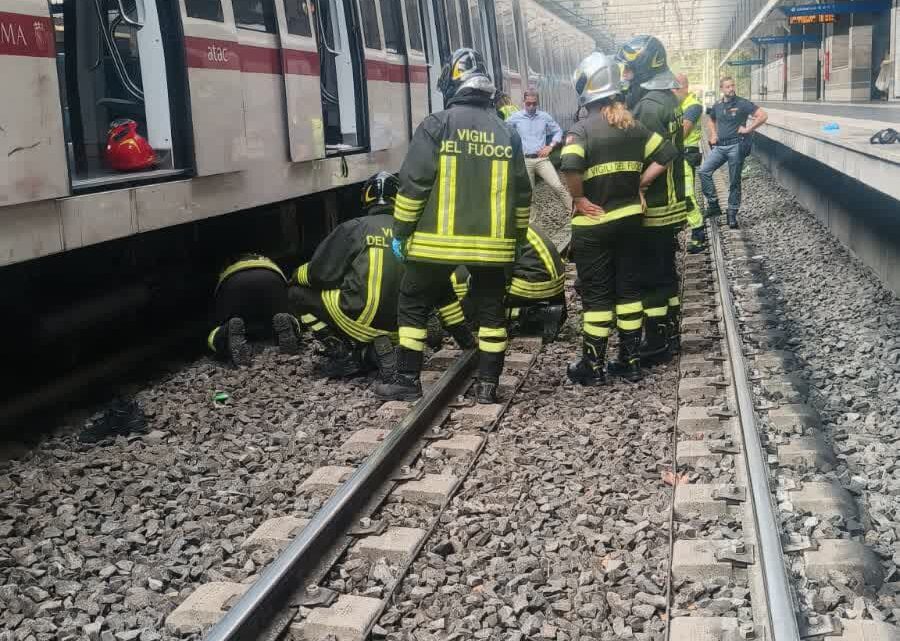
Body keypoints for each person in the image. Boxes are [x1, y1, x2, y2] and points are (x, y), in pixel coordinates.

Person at [374, 48, 532, 404]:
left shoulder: (436, 124)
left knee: (413, 302)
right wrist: (518, 238)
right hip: (492, 247)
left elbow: (414, 186)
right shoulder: (507, 132)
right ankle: (488, 385)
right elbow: (523, 193)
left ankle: (406, 379)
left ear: (452, 86)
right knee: (492, 309)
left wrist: (401, 232)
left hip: (434, 245)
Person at [561, 52, 676, 385]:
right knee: (628, 292)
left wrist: (579, 198)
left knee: (597, 296)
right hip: (630, 220)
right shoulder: (632, 124)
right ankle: (630, 361)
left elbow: (570, 166)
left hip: (594, 225)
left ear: (587, 89)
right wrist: (639, 182)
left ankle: (593, 367)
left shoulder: (582, 129)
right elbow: (667, 154)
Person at [287, 172, 403, 378]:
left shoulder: (354, 228)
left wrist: (297, 274)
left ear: (366, 197)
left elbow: (320, 274)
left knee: (297, 294)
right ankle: (373, 353)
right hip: (404, 327)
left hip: (361, 320)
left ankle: (343, 356)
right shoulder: (411, 230)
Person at [616, 35, 687, 362]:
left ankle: (656, 340)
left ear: (645, 65)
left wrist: (639, 186)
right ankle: (670, 332)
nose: (626, 73)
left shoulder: (647, 106)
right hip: (671, 200)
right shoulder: (667, 99)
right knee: (665, 270)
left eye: (630, 67)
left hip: (655, 205)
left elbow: (665, 152)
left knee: (649, 274)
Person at [451, 223, 567, 343]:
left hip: (533, 284)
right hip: (551, 280)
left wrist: (465, 312)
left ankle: (531, 314)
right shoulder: (506, 221)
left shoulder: (489, 234)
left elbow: (500, 275)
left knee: (479, 283)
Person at [699, 76, 768, 229]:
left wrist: (748, 129)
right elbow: (712, 120)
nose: (731, 89)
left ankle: (732, 213)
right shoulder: (717, 105)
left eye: (732, 86)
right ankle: (713, 204)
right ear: (722, 89)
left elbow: (763, 115)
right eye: (727, 87)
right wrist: (713, 134)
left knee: (734, 182)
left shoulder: (742, 103)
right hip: (720, 148)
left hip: (736, 146)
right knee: (704, 171)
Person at [207, 254, 301, 366]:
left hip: (234, 283)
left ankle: (228, 331)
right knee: (285, 315)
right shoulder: (264, 257)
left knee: (219, 329)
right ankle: (289, 322)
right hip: (271, 279)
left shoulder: (227, 263)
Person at [506, 89, 572, 213]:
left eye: (534, 104)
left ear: (538, 103)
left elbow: (558, 131)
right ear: (524, 102)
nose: (531, 106)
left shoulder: (544, 117)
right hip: (525, 160)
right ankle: (530, 220)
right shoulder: (516, 117)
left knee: (558, 186)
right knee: (529, 193)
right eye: (528, 103)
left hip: (542, 160)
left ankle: (573, 210)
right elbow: (504, 130)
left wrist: (550, 146)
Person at [674, 74, 706, 253]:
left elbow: (682, 133)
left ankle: (698, 233)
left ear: (685, 88)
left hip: (685, 155)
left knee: (686, 195)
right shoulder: (679, 104)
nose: (672, 92)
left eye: (675, 89)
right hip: (679, 155)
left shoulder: (693, 105)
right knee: (678, 194)